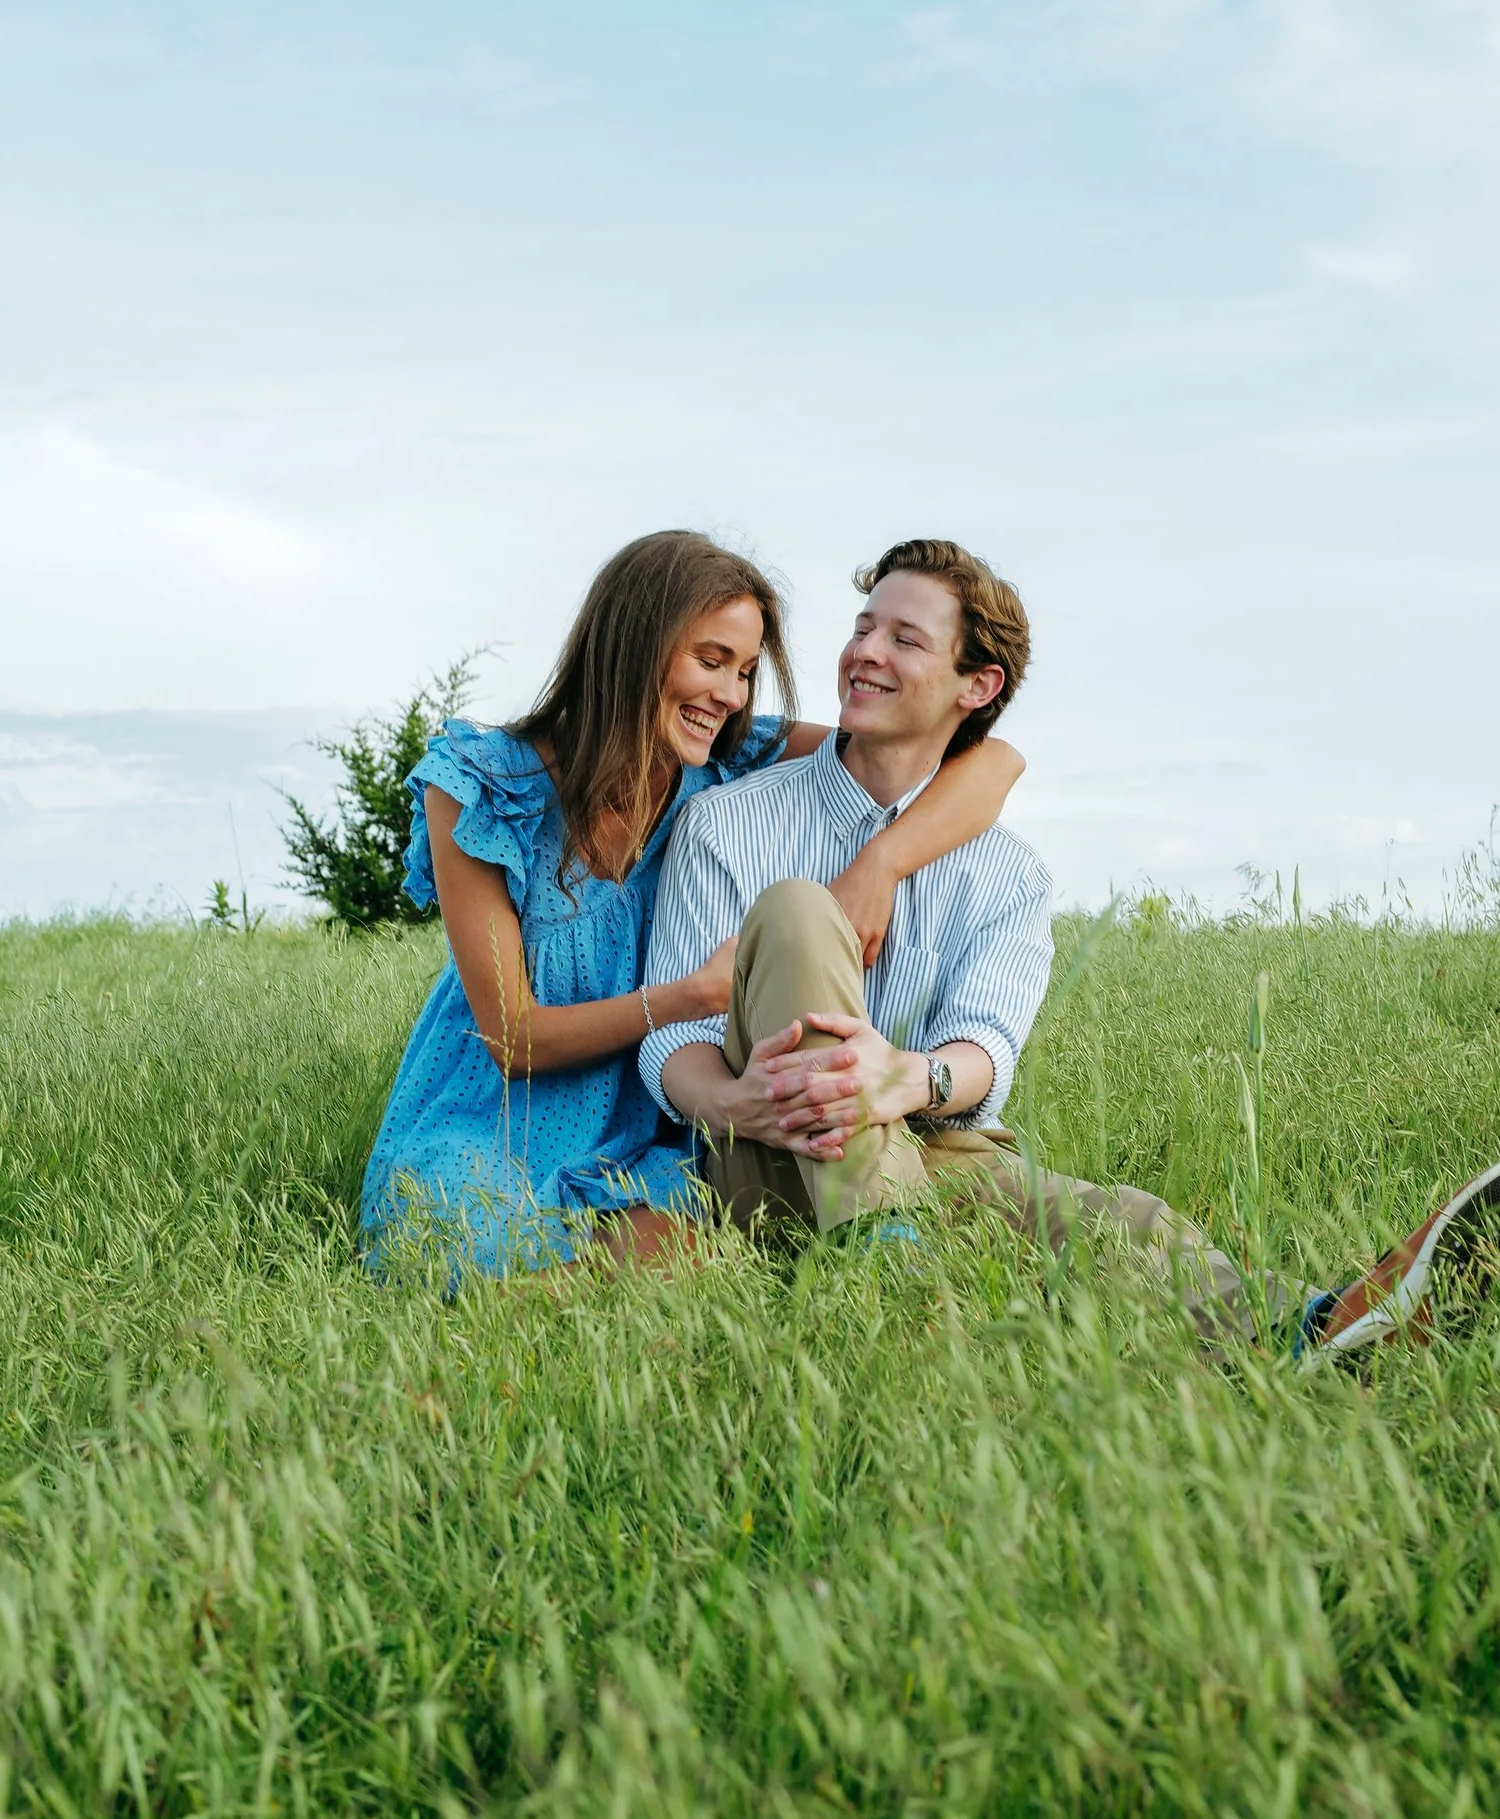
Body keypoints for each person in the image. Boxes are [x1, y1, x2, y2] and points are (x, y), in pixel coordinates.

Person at [640, 535, 1500, 1353]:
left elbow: (984, 1052)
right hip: (765, 1153)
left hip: (935, 1151)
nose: (862, 653)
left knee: (1127, 1224)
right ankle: (892, 1276)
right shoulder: (729, 822)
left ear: (979, 685)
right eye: (863, 625)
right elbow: (669, 1036)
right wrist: (736, 1105)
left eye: (903, 639)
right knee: (802, 910)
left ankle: (1325, 1331)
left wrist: (904, 1080)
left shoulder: (1007, 874)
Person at [359, 528, 1029, 1279]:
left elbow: (990, 759)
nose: (730, 696)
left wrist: (885, 860)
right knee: (479, 1261)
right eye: (710, 662)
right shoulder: (484, 787)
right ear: (631, 646)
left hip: (649, 1123)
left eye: (744, 672)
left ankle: (873, 1259)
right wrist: (684, 997)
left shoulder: (720, 758)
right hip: (498, 1114)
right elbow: (511, 1039)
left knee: (702, 1263)